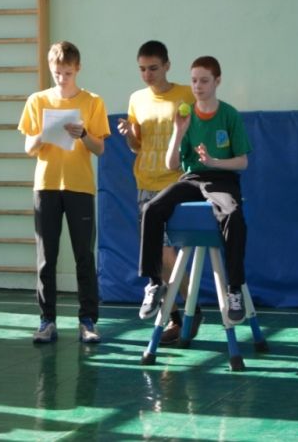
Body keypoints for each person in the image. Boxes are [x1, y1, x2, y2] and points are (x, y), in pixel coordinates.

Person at [138, 56, 252, 324]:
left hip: (222, 179)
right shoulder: (185, 114)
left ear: (217, 81)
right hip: (191, 178)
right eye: (194, 81)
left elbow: (243, 162)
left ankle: (234, 289)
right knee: (151, 209)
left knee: (233, 214)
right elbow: (171, 164)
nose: (198, 86)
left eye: (204, 81)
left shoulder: (229, 115)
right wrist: (178, 131)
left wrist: (214, 162)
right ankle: (154, 283)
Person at [18, 41, 111, 344]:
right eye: (57, 73)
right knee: (47, 257)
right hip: (46, 186)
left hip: (79, 186)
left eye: (68, 73)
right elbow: (29, 148)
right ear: (51, 69)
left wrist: (83, 134)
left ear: (77, 69)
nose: (62, 78)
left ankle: (88, 321)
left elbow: (100, 148)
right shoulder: (37, 101)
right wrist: (43, 134)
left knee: (84, 255)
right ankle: (47, 321)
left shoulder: (92, 101)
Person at [117, 40, 201, 344]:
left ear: (167, 66)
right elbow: (136, 145)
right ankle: (182, 315)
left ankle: (188, 309)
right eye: (142, 69)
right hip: (145, 183)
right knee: (160, 255)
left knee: (166, 253)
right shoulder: (137, 99)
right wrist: (130, 135)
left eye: (153, 68)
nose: (147, 74)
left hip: (175, 183)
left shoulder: (185, 95)